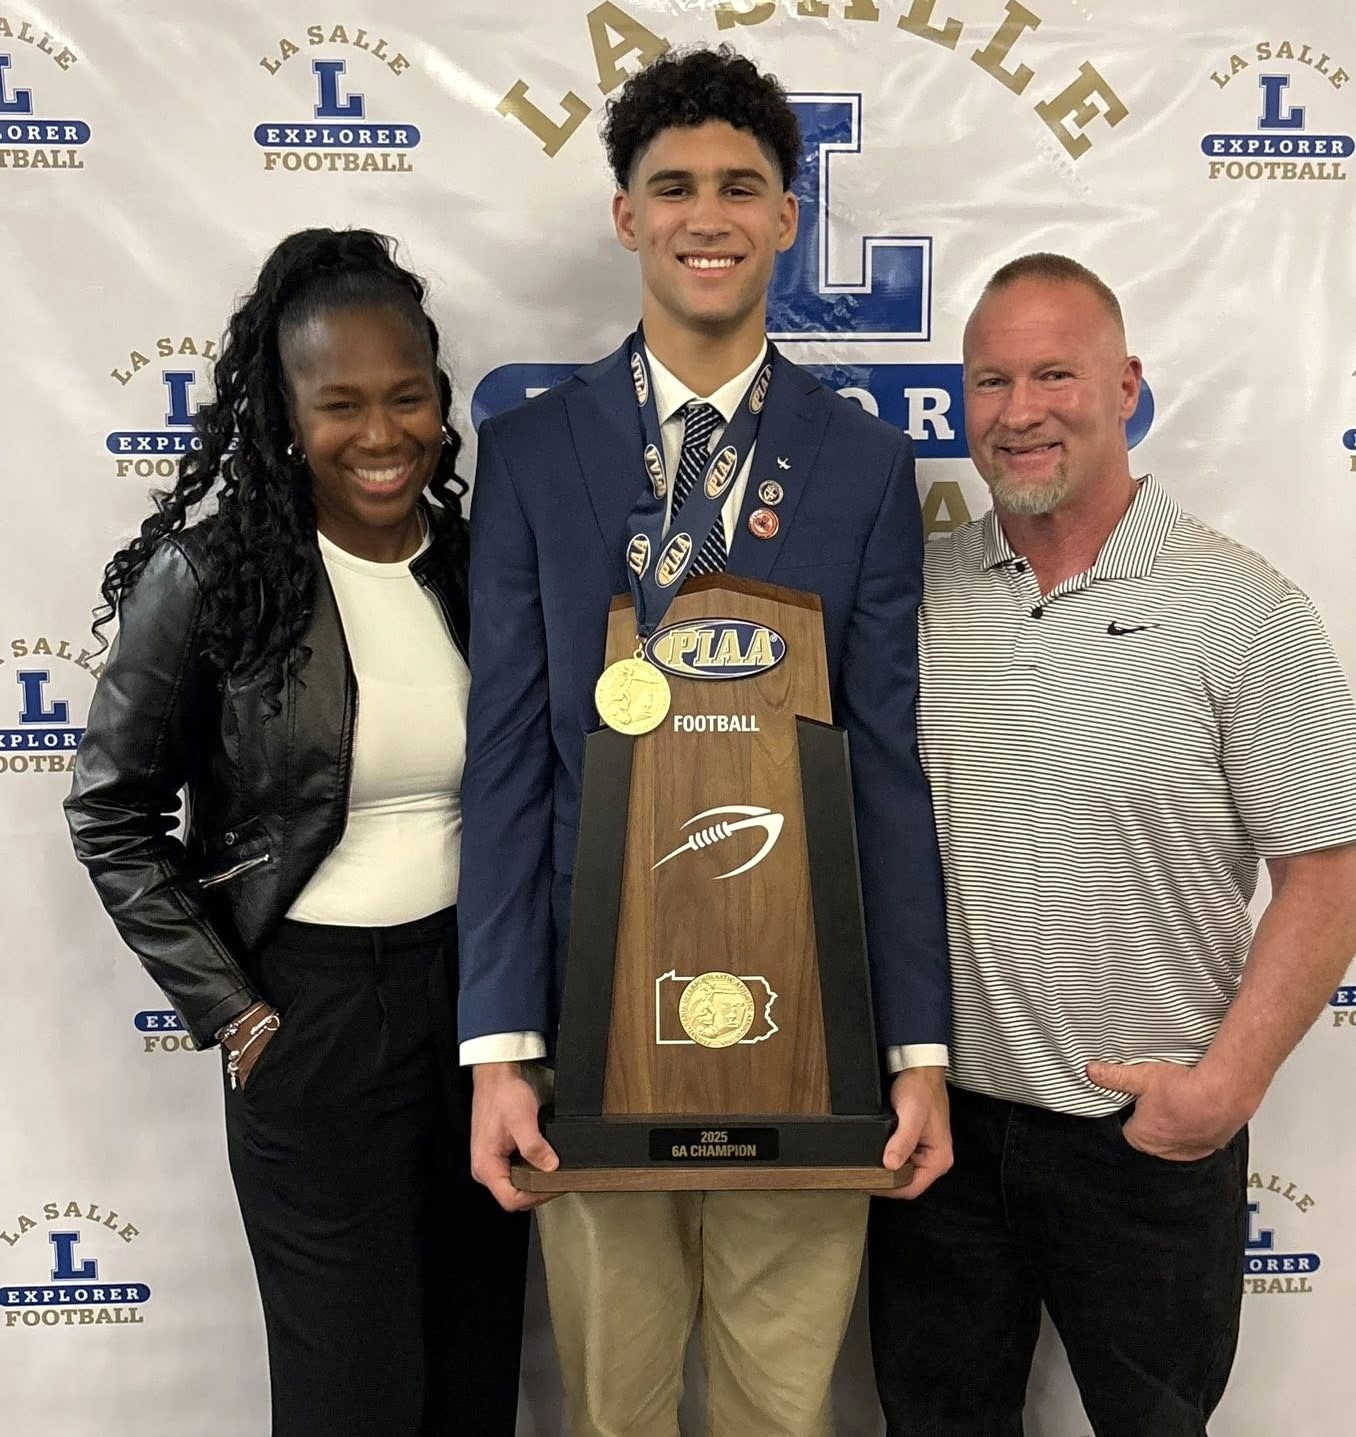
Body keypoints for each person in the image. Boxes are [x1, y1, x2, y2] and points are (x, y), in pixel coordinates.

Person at [458, 45, 951, 1437]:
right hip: (590, 1019)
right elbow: (504, 762)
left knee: (779, 1410)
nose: (707, 214)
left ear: (790, 215)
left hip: (812, 1021)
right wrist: (500, 1047)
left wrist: (915, 1053)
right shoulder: (537, 452)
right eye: (672, 186)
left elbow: (886, 770)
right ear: (627, 215)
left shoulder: (860, 463)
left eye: (741, 185)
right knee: (608, 1407)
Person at [869, 252, 1356, 1437]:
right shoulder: (917, 598)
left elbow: (1330, 872)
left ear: (1127, 385)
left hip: (1146, 1142)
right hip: (937, 1136)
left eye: (1055, 374)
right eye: (990, 382)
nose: (1021, 411)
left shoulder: (1245, 607)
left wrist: (1223, 1089)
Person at [64, 228, 529, 1437]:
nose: (381, 434)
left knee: (474, 1373)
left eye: (407, 397)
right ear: (284, 414)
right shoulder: (215, 576)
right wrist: (237, 1008)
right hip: (312, 1020)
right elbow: (112, 810)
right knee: (352, 1397)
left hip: (476, 1014)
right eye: (339, 405)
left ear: (439, 398)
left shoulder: (481, 567)